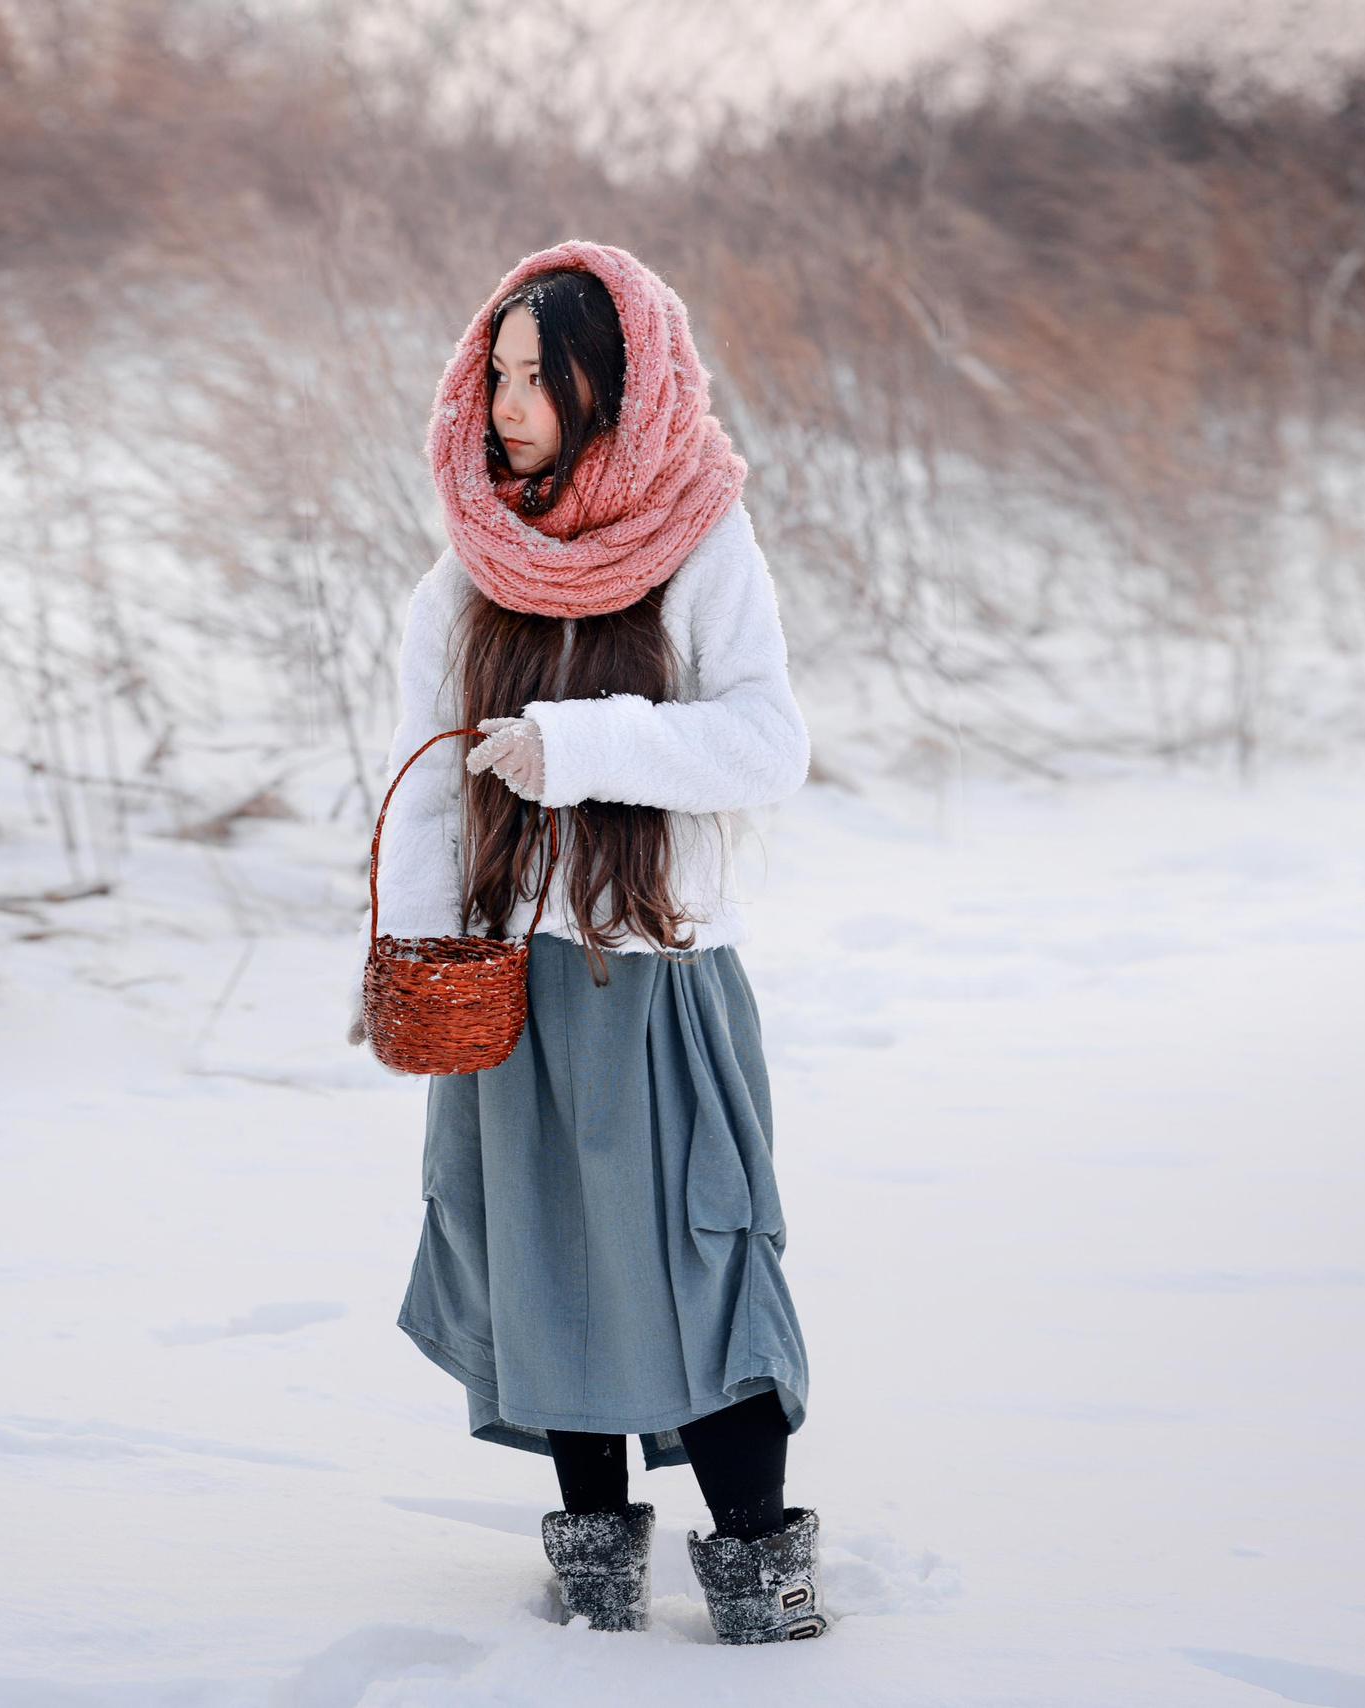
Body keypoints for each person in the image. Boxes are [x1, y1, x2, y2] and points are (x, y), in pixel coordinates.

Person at [366, 241, 822, 1643]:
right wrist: (422, 953)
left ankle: (756, 1562)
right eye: (491, 374)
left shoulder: (700, 537)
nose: (504, 404)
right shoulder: (469, 563)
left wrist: (573, 747)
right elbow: (428, 776)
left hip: (659, 970)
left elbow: (765, 744)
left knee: (702, 1254)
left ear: (613, 384)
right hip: (518, 984)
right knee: (541, 1253)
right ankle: (596, 1571)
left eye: (536, 377)